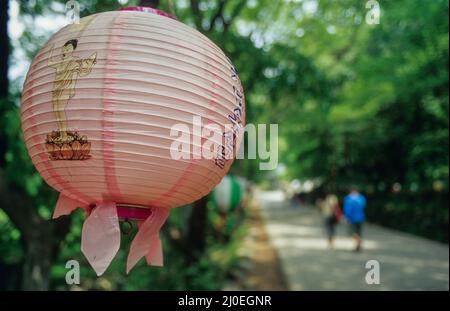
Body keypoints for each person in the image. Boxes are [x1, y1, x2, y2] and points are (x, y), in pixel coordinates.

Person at [343, 186, 367, 252]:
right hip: (360, 217)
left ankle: (357, 244)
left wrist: (346, 217)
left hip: (352, 219)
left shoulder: (348, 198)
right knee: (359, 232)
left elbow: (347, 209)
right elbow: (363, 206)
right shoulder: (361, 198)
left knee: (353, 232)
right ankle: (359, 244)